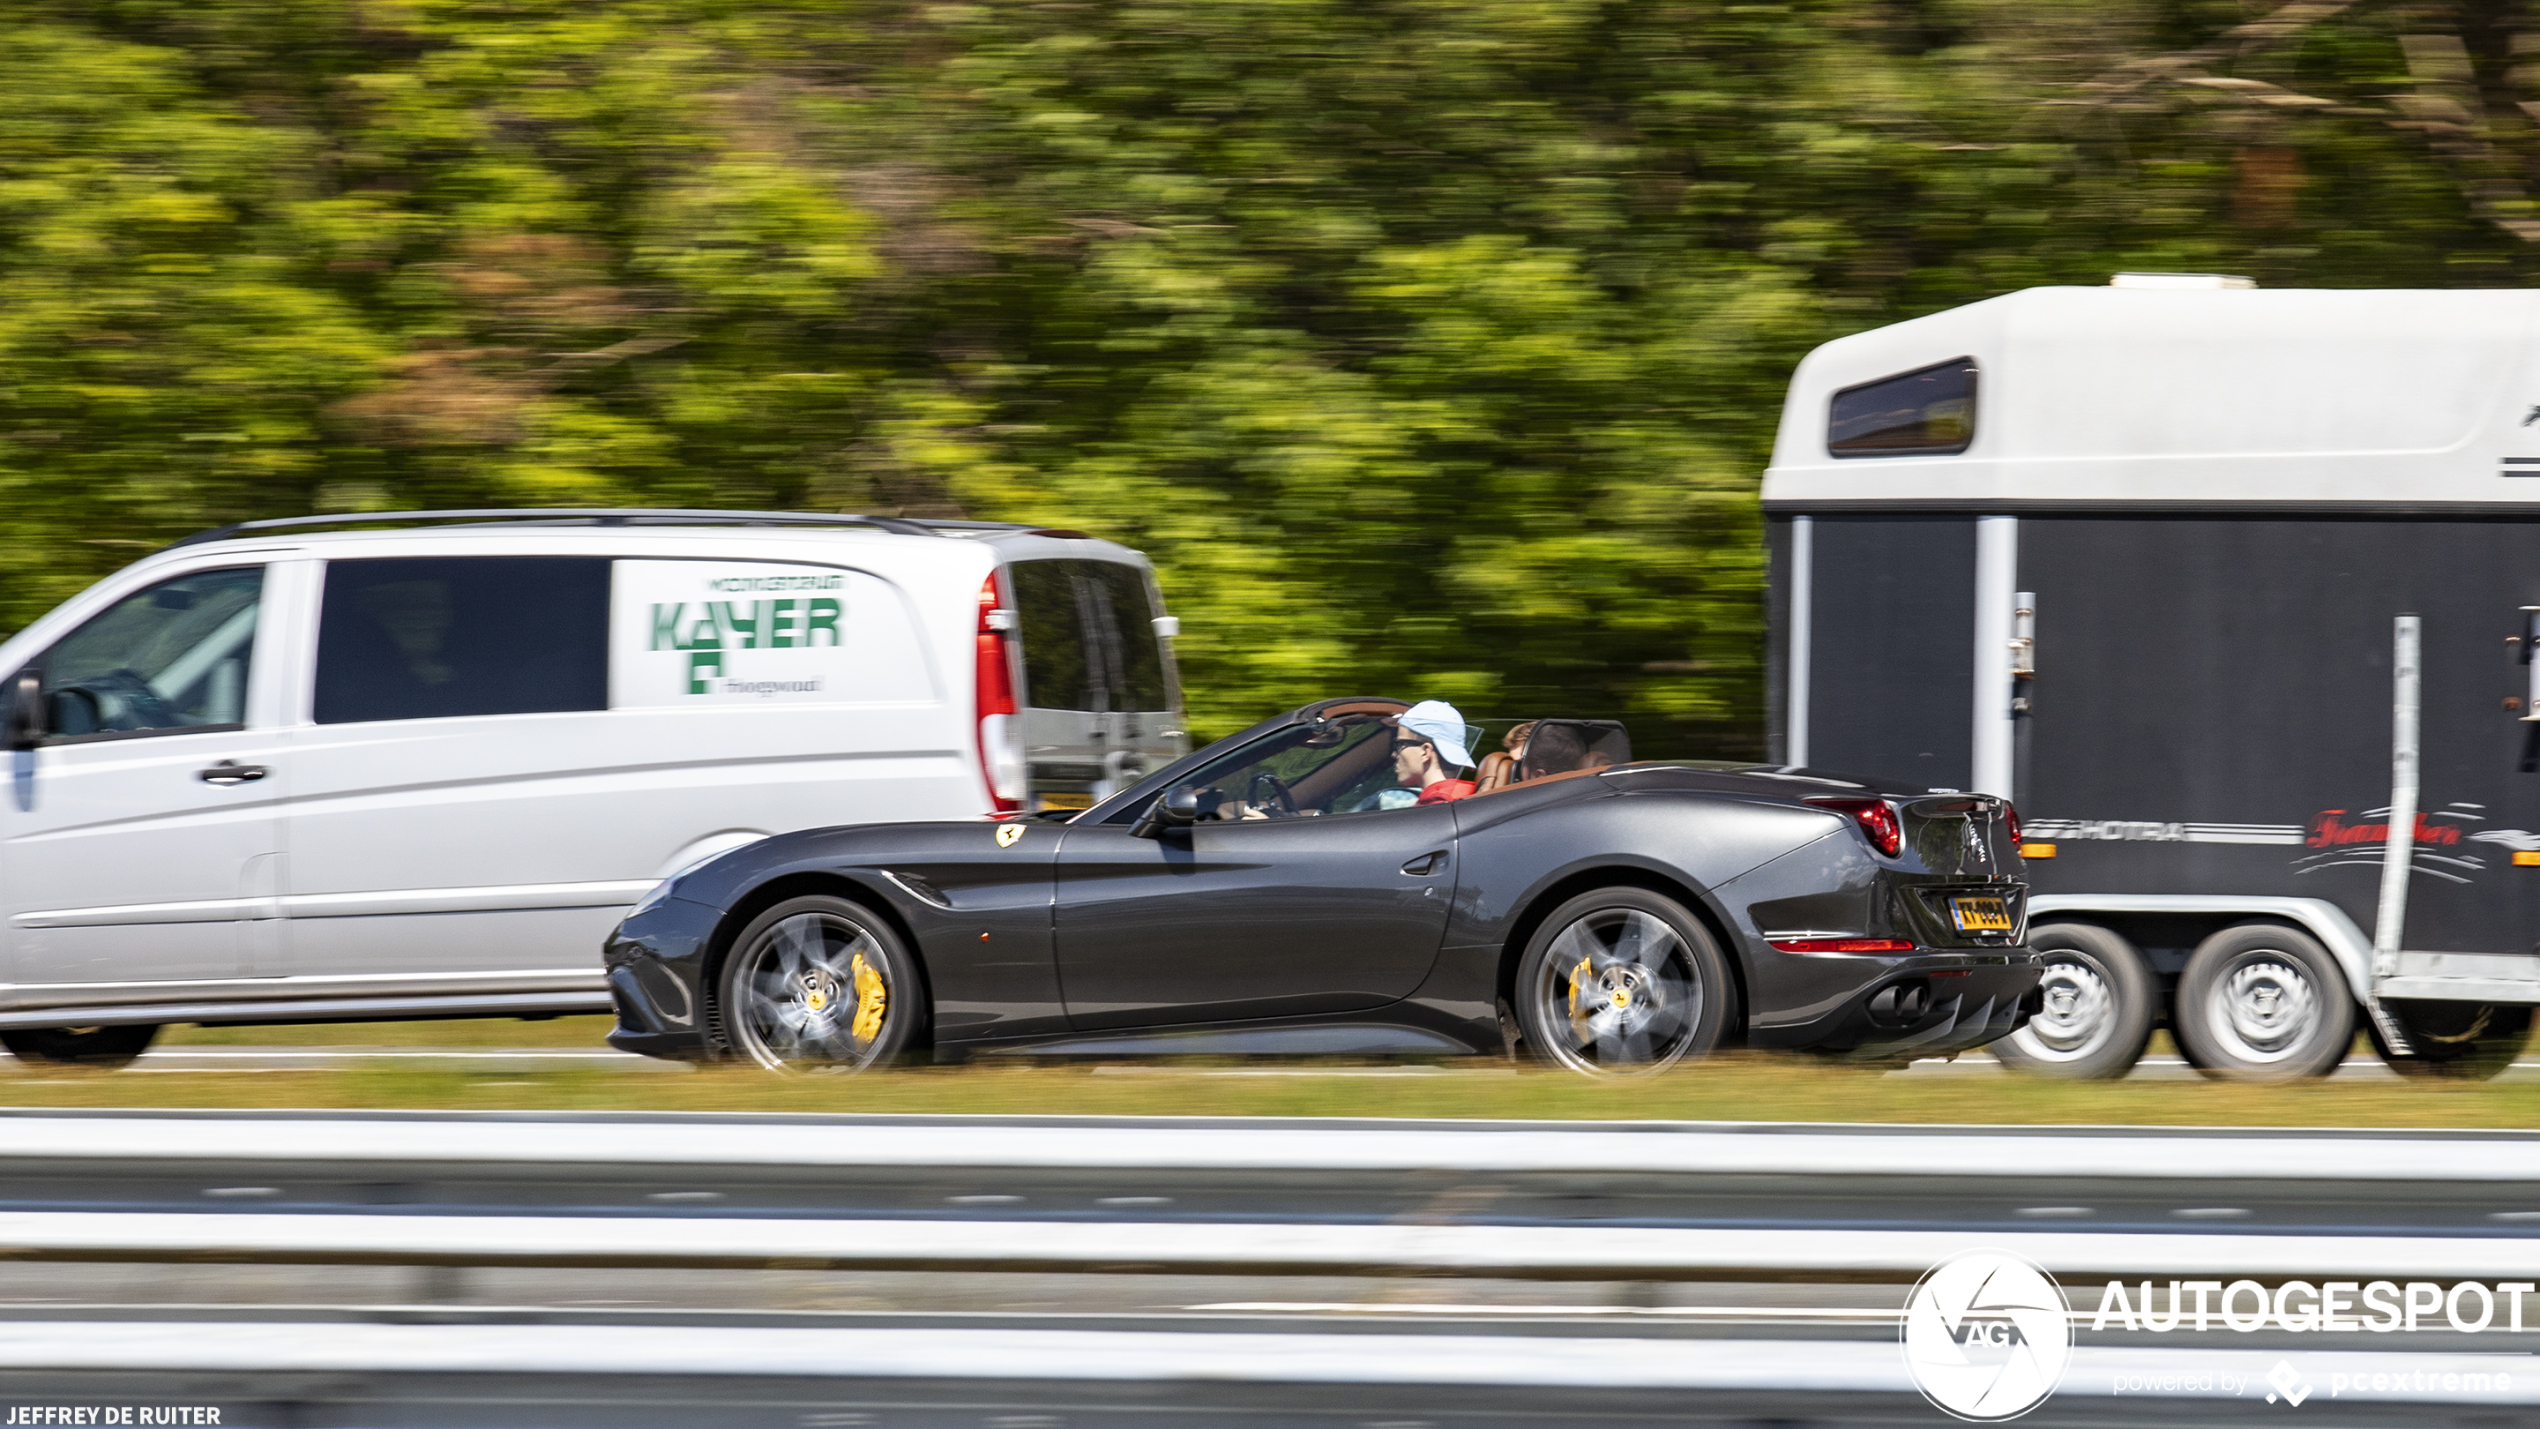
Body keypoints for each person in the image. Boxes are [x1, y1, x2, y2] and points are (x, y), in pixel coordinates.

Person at [1390, 700, 1477, 805]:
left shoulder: (1436, 807)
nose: (1394, 755)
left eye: (1400, 745)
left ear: (1425, 752)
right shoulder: (1466, 798)